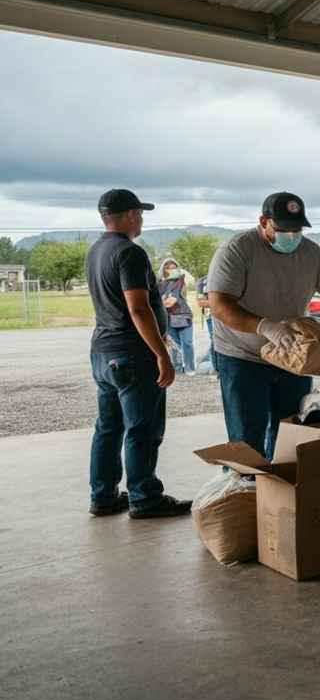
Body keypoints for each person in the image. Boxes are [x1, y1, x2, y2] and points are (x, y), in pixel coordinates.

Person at [206, 192, 320, 459]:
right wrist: (265, 327)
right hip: (242, 356)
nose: (291, 235)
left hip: (293, 356)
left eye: (297, 228)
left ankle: (280, 495)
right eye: (283, 228)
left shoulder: (312, 254)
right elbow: (219, 305)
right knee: (246, 437)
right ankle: (244, 494)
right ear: (263, 221)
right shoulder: (237, 250)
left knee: (290, 433)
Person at [84, 189, 191, 518]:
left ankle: (103, 496)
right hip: (132, 354)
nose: (142, 219)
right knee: (142, 428)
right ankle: (144, 498)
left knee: (109, 426)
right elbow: (138, 308)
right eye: (140, 214)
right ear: (129, 215)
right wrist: (160, 353)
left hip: (104, 352)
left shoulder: (96, 250)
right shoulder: (130, 253)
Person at [157, 258, 195, 376]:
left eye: (174, 268)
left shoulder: (181, 281)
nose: (172, 270)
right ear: (164, 269)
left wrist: (161, 303)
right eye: (169, 268)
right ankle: (177, 370)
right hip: (168, 317)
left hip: (184, 315)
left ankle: (189, 368)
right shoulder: (159, 285)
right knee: (174, 346)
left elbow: (171, 302)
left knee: (187, 342)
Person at [195, 273, 214, 373]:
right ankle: (215, 367)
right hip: (211, 316)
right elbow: (200, 302)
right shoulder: (202, 281)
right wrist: (220, 302)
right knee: (214, 340)